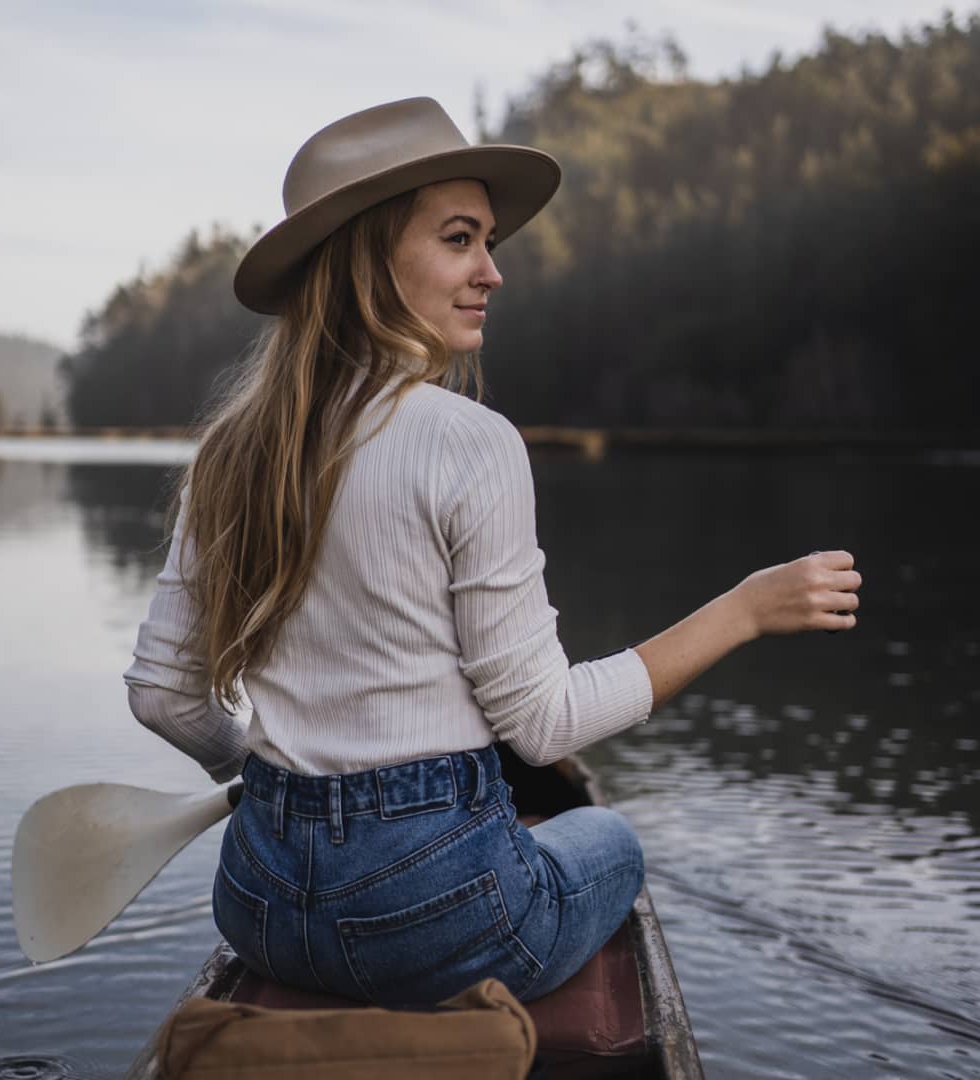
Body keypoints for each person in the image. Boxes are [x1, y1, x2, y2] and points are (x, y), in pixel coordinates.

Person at [124, 97, 861, 1006]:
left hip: (260, 905)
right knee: (611, 842)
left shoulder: (227, 448)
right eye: (461, 239)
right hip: (433, 921)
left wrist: (260, 773)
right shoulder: (469, 442)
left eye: (488, 243)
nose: (492, 272)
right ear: (369, 257)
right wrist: (744, 610)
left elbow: (162, 695)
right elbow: (542, 727)